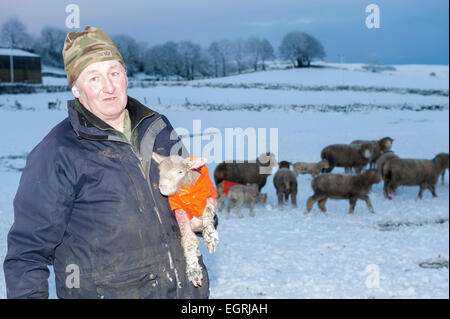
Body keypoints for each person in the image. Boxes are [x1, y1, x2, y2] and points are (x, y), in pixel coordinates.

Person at [3, 26, 211, 299]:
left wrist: (204, 219)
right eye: (94, 77)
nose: (109, 86)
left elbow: (194, 191)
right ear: (76, 89)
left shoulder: (158, 128)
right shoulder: (57, 152)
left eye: (114, 72)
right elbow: (26, 254)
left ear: (126, 76)